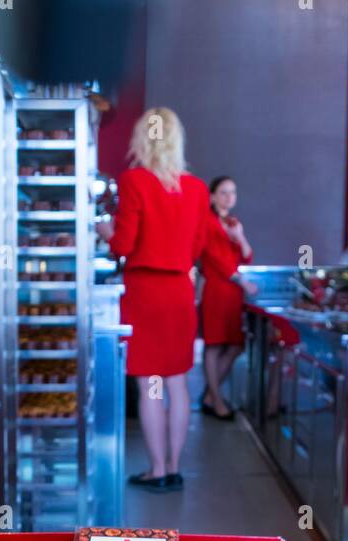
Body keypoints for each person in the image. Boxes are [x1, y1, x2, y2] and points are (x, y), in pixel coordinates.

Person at [97, 108, 209, 491]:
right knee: (177, 382)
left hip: (145, 292)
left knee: (151, 385)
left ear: (142, 139)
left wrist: (105, 230)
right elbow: (198, 244)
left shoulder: (135, 181)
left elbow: (123, 245)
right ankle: (175, 467)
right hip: (179, 291)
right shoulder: (196, 188)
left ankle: (157, 468)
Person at [200, 176, 253, 420]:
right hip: (218, 289)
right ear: (212, 196)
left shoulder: (233, 222)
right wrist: (242, 281)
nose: (229, 197)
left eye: (232, 192)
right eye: (223, 192)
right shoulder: (207, 223)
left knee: (235, 345)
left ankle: (211, 395)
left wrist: (239, 237)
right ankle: (215, 398)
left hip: (233, 292)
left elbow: (247, 257)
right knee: (214, 344)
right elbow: (216, 260)